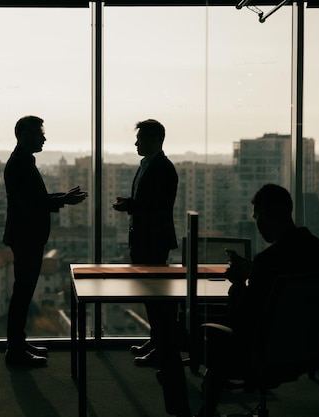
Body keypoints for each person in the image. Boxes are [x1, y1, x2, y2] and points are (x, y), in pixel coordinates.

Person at [196, 183, 319, 417]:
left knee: (216, 339)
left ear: (268, 216)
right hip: (305, 347)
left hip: (264, 352)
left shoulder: (267, 260)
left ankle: (207, 413)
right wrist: (254, 274)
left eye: (257, 217)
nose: (257, 225)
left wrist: (239, 284)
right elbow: (290, 291)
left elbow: (243, 318)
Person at [112, 119, 187, 417]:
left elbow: (158, 206)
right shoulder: (148, 165)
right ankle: (157, 341)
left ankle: (161, 346)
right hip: (144, 238)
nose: (136, 143)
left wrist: (130, 205)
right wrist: (131, 205)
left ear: (156, 139)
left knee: (156, 296)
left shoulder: (163, 168)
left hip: (153, 240)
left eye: (141, 138)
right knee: (150, 294)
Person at [3, 115, 88, 367]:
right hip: (26, 237)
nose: (44, 137)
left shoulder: (23, 161)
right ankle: (15, 350)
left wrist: (63, 196)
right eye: (40, 133)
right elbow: (31, 203)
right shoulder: (20, 163)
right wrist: (64, 200)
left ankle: (18, 343)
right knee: (22, 294)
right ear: (24, 135)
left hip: (26, 236)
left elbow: (34, 198)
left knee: (23, 293)